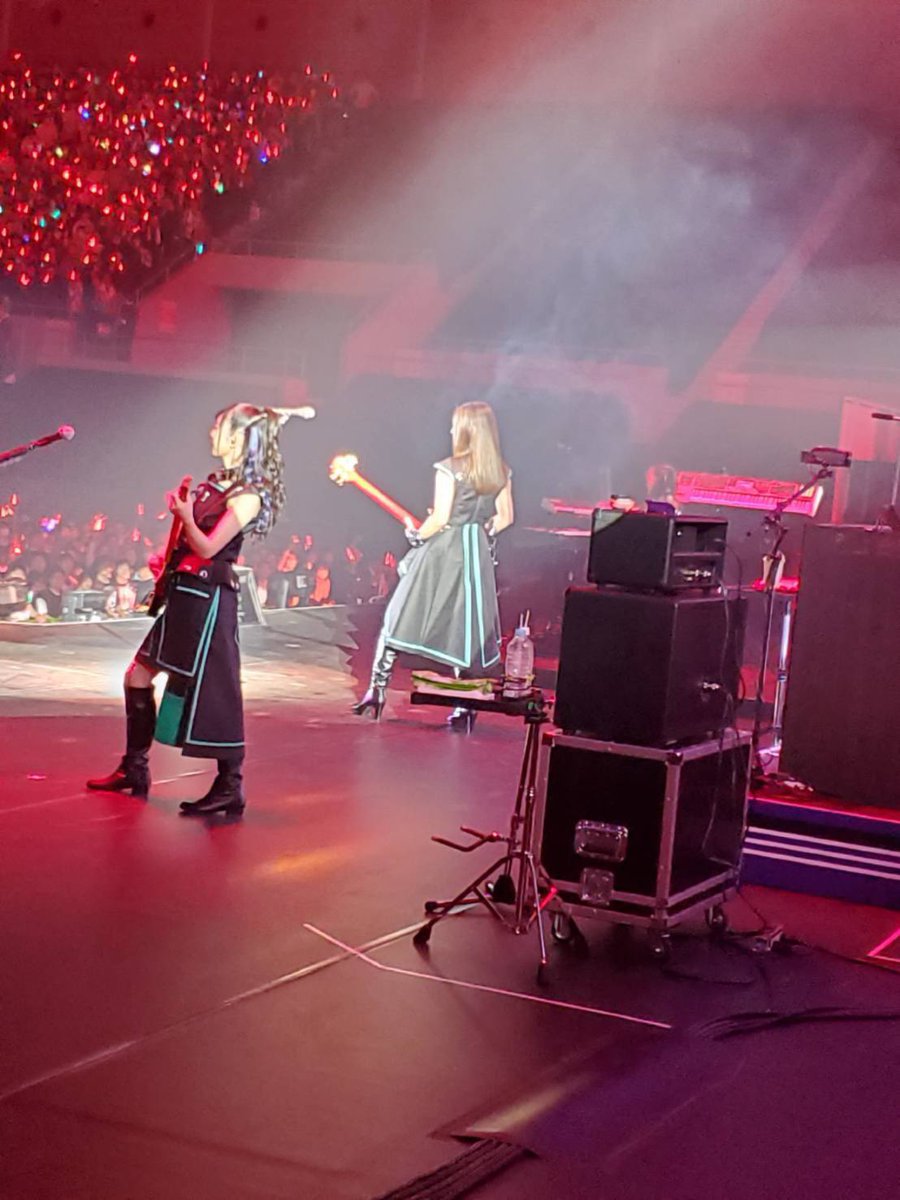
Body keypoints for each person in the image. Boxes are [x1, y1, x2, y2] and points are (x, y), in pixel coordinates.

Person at [87, 402, 314, 816]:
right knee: (137, 675)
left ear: (238, 437)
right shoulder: (216, 485)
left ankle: (230, 785)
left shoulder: (247, 497)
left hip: (210, 604)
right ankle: (134, 767)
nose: (211, 434)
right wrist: (169, 560)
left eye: (219, 427)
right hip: (186, 596)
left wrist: (185, 516)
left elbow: (209, 548)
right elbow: (191, 546)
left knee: (216, 692)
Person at [353, 401, 514, 728]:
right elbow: (506, 518)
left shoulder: (449, 468)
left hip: (445, 551)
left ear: (465, 429)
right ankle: (465, 708)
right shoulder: (500, 470)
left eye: (455, 424)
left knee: (399, 615)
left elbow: (440, 518)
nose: (451, 430)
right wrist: (481, 530)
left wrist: (416, 535)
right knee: (467, 627)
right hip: (476, 552)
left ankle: (376, 691)